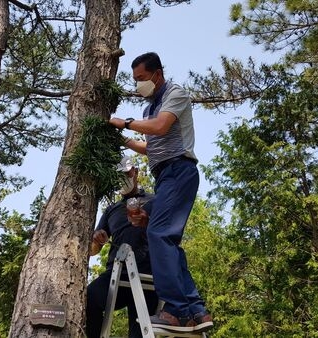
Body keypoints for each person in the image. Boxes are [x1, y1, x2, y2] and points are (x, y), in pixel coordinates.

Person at [109, 52, 213, 333]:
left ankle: (177, 311)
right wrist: (122, 137)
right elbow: (150, 146)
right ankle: (196, 310)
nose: (138, 85)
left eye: (141, 79)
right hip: (164, 176)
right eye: (135, 80)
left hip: (179, 170)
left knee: (159, 234)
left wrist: (125, 122)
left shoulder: (175, 94)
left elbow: (161, 127)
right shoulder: (149, 109)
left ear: (157, 74)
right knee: (161, 234)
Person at [86, 156, 159, 338]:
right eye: (117, 176)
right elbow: (93, 250)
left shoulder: (154, 201)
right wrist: (97, 240)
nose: (122, 179)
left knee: (139, 333)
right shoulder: (111, 209)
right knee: (89, 298)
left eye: (126, 173)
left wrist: (147, 222)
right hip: (115, 276)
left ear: (135, 173)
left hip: (147, 277)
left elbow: (167, 232)